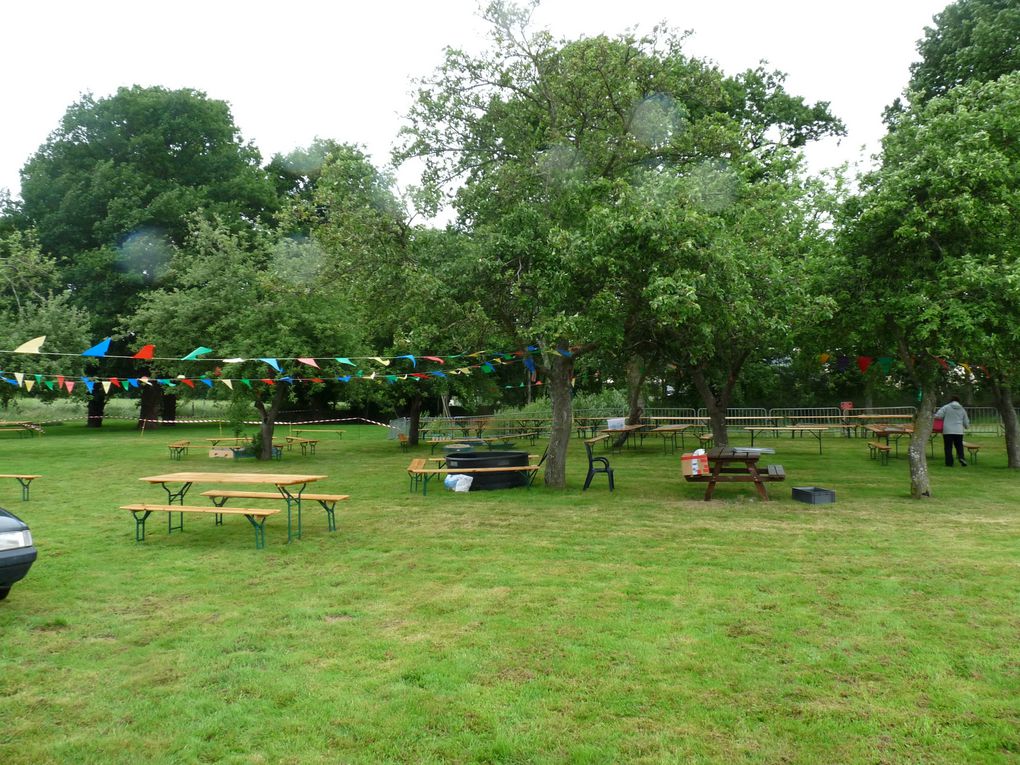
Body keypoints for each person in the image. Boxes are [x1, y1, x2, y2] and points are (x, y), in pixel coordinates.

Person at [934, 396, 970, 467]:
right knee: (959, 446)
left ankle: (949, 463)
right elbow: (966, 420)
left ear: (950, 400)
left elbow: (938, 416)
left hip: (948, 430)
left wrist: (934, 415)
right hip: (959, 430)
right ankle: (961, 457)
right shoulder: (962, 409)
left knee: (948, 447)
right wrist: (966, 426)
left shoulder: (946, 407)